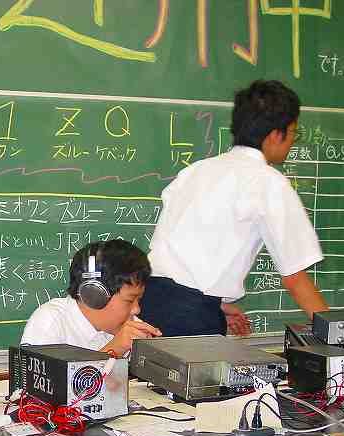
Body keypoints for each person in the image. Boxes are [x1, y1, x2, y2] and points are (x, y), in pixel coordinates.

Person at [140, 79, 328, 337]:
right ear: (276, 135)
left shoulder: (196, 170)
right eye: (294, 132)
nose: (293, 141)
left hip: (147, 303)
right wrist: (341, 335)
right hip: (190, 316)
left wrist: (215, 305)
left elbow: (178, 253)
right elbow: (295, 278)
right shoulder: (268, 181)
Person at [20, 239, 160, 357]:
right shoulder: (50, 322)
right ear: (94, 295)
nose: (136, 310)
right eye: (129, 300)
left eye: (138, 300)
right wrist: (114, 350)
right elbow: (43, 382)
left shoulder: (130, 325)